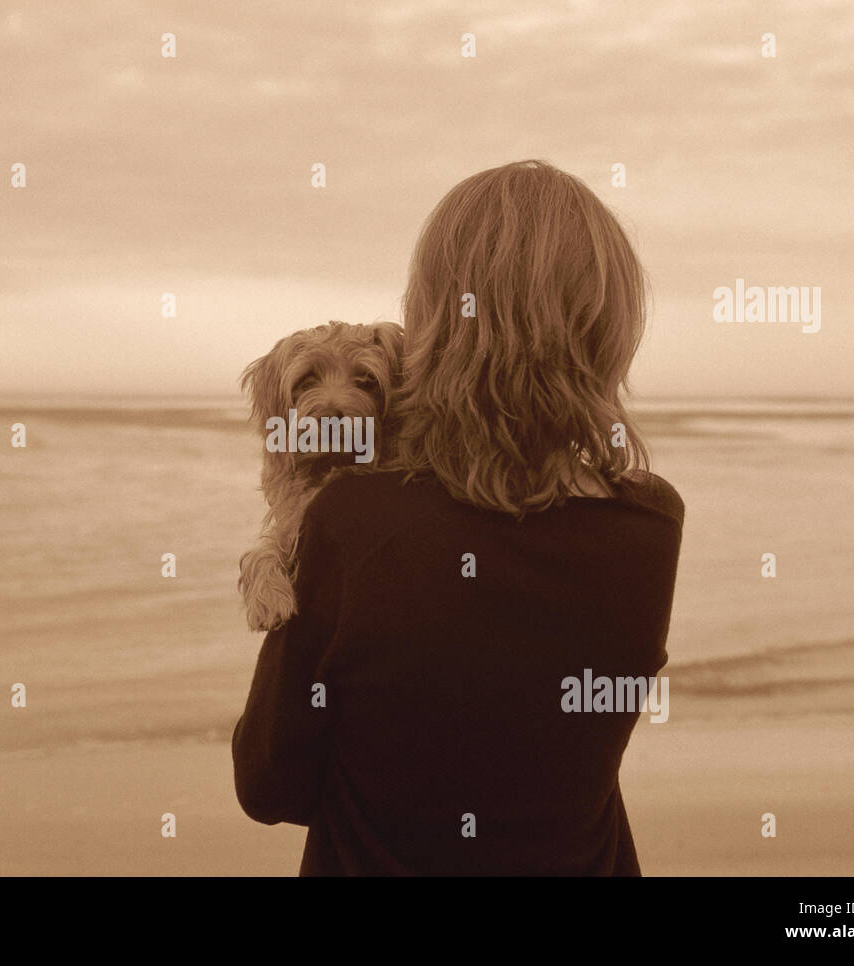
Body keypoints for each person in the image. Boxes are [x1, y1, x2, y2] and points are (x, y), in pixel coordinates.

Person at [232, 160, 684, 875]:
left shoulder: (351, 520)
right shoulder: (651, 524)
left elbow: (269, 782)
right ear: (611, 326)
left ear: (433, 327)